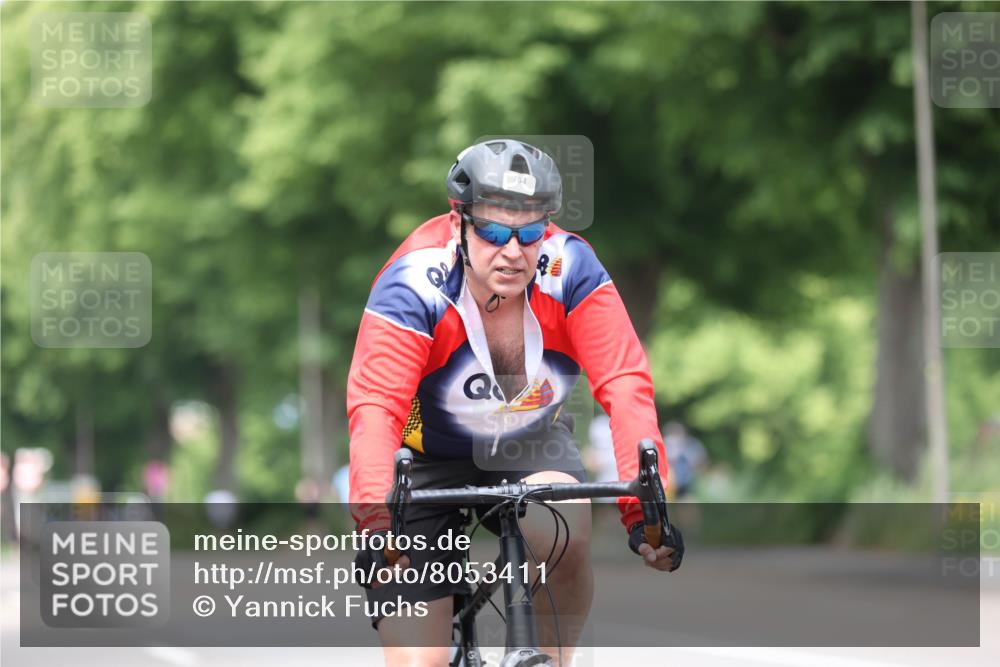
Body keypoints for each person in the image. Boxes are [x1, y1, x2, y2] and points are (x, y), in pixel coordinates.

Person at [347, 139, 683, 666]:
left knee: (564, 524)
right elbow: (375, 404)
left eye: (528, 231)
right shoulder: (414, 283)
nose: (512, 249)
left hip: (531, 444)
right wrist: (374, 517)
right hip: (424, 458)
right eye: (493, 230)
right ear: (458, 219)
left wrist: (644, 512)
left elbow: (624, 380)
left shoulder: (571, 268)